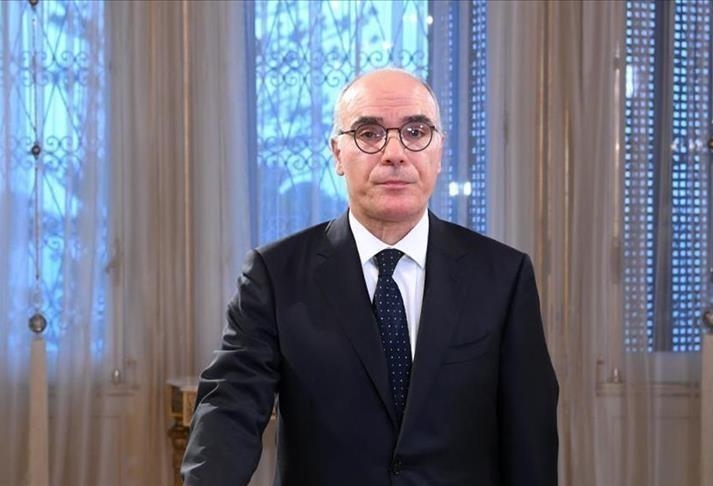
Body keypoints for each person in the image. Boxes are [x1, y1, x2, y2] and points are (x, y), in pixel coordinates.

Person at [181, 67, 558, 486]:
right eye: (370, 134)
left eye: (416, 132)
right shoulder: (274, 275)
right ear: (337, 154)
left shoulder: (503, 276)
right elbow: (230, 408)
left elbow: (530, 438)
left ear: (439, 151)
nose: (395, 153)